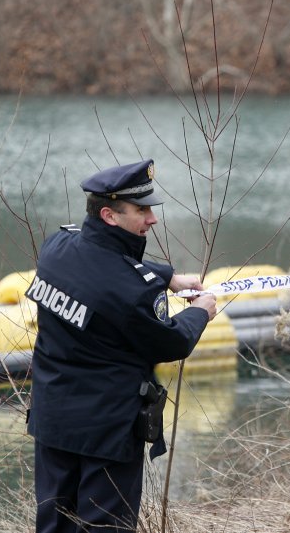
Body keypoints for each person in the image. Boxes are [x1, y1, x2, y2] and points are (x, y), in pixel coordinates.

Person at [25, 158, 217, 533]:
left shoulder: (56, 249)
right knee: (105, 527)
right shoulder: (133, 291)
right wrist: (201, 313)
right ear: (111, 215)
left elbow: (106, 267)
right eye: (142, 210)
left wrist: (168, 278)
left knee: (54, 524)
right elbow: (170, 341)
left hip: (53, 422)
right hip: (106, 432)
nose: (152, 218)